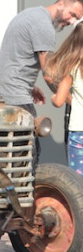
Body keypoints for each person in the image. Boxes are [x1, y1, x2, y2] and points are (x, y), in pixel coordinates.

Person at [0, 0, 83, 112]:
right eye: (72, 14)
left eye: (76, 19)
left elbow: (14, 58)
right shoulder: (44, 26)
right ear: (61, 3)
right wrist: (74, 102)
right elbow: (49, 75)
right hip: (15, 98)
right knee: (37, 129)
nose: (72, 21)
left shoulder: (29, 14)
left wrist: (30, 88)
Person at [46, 21, 83, 174]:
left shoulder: (72, 67)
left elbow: (59, 101)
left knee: (77, 181)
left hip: (79, 130)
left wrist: (53, 97)